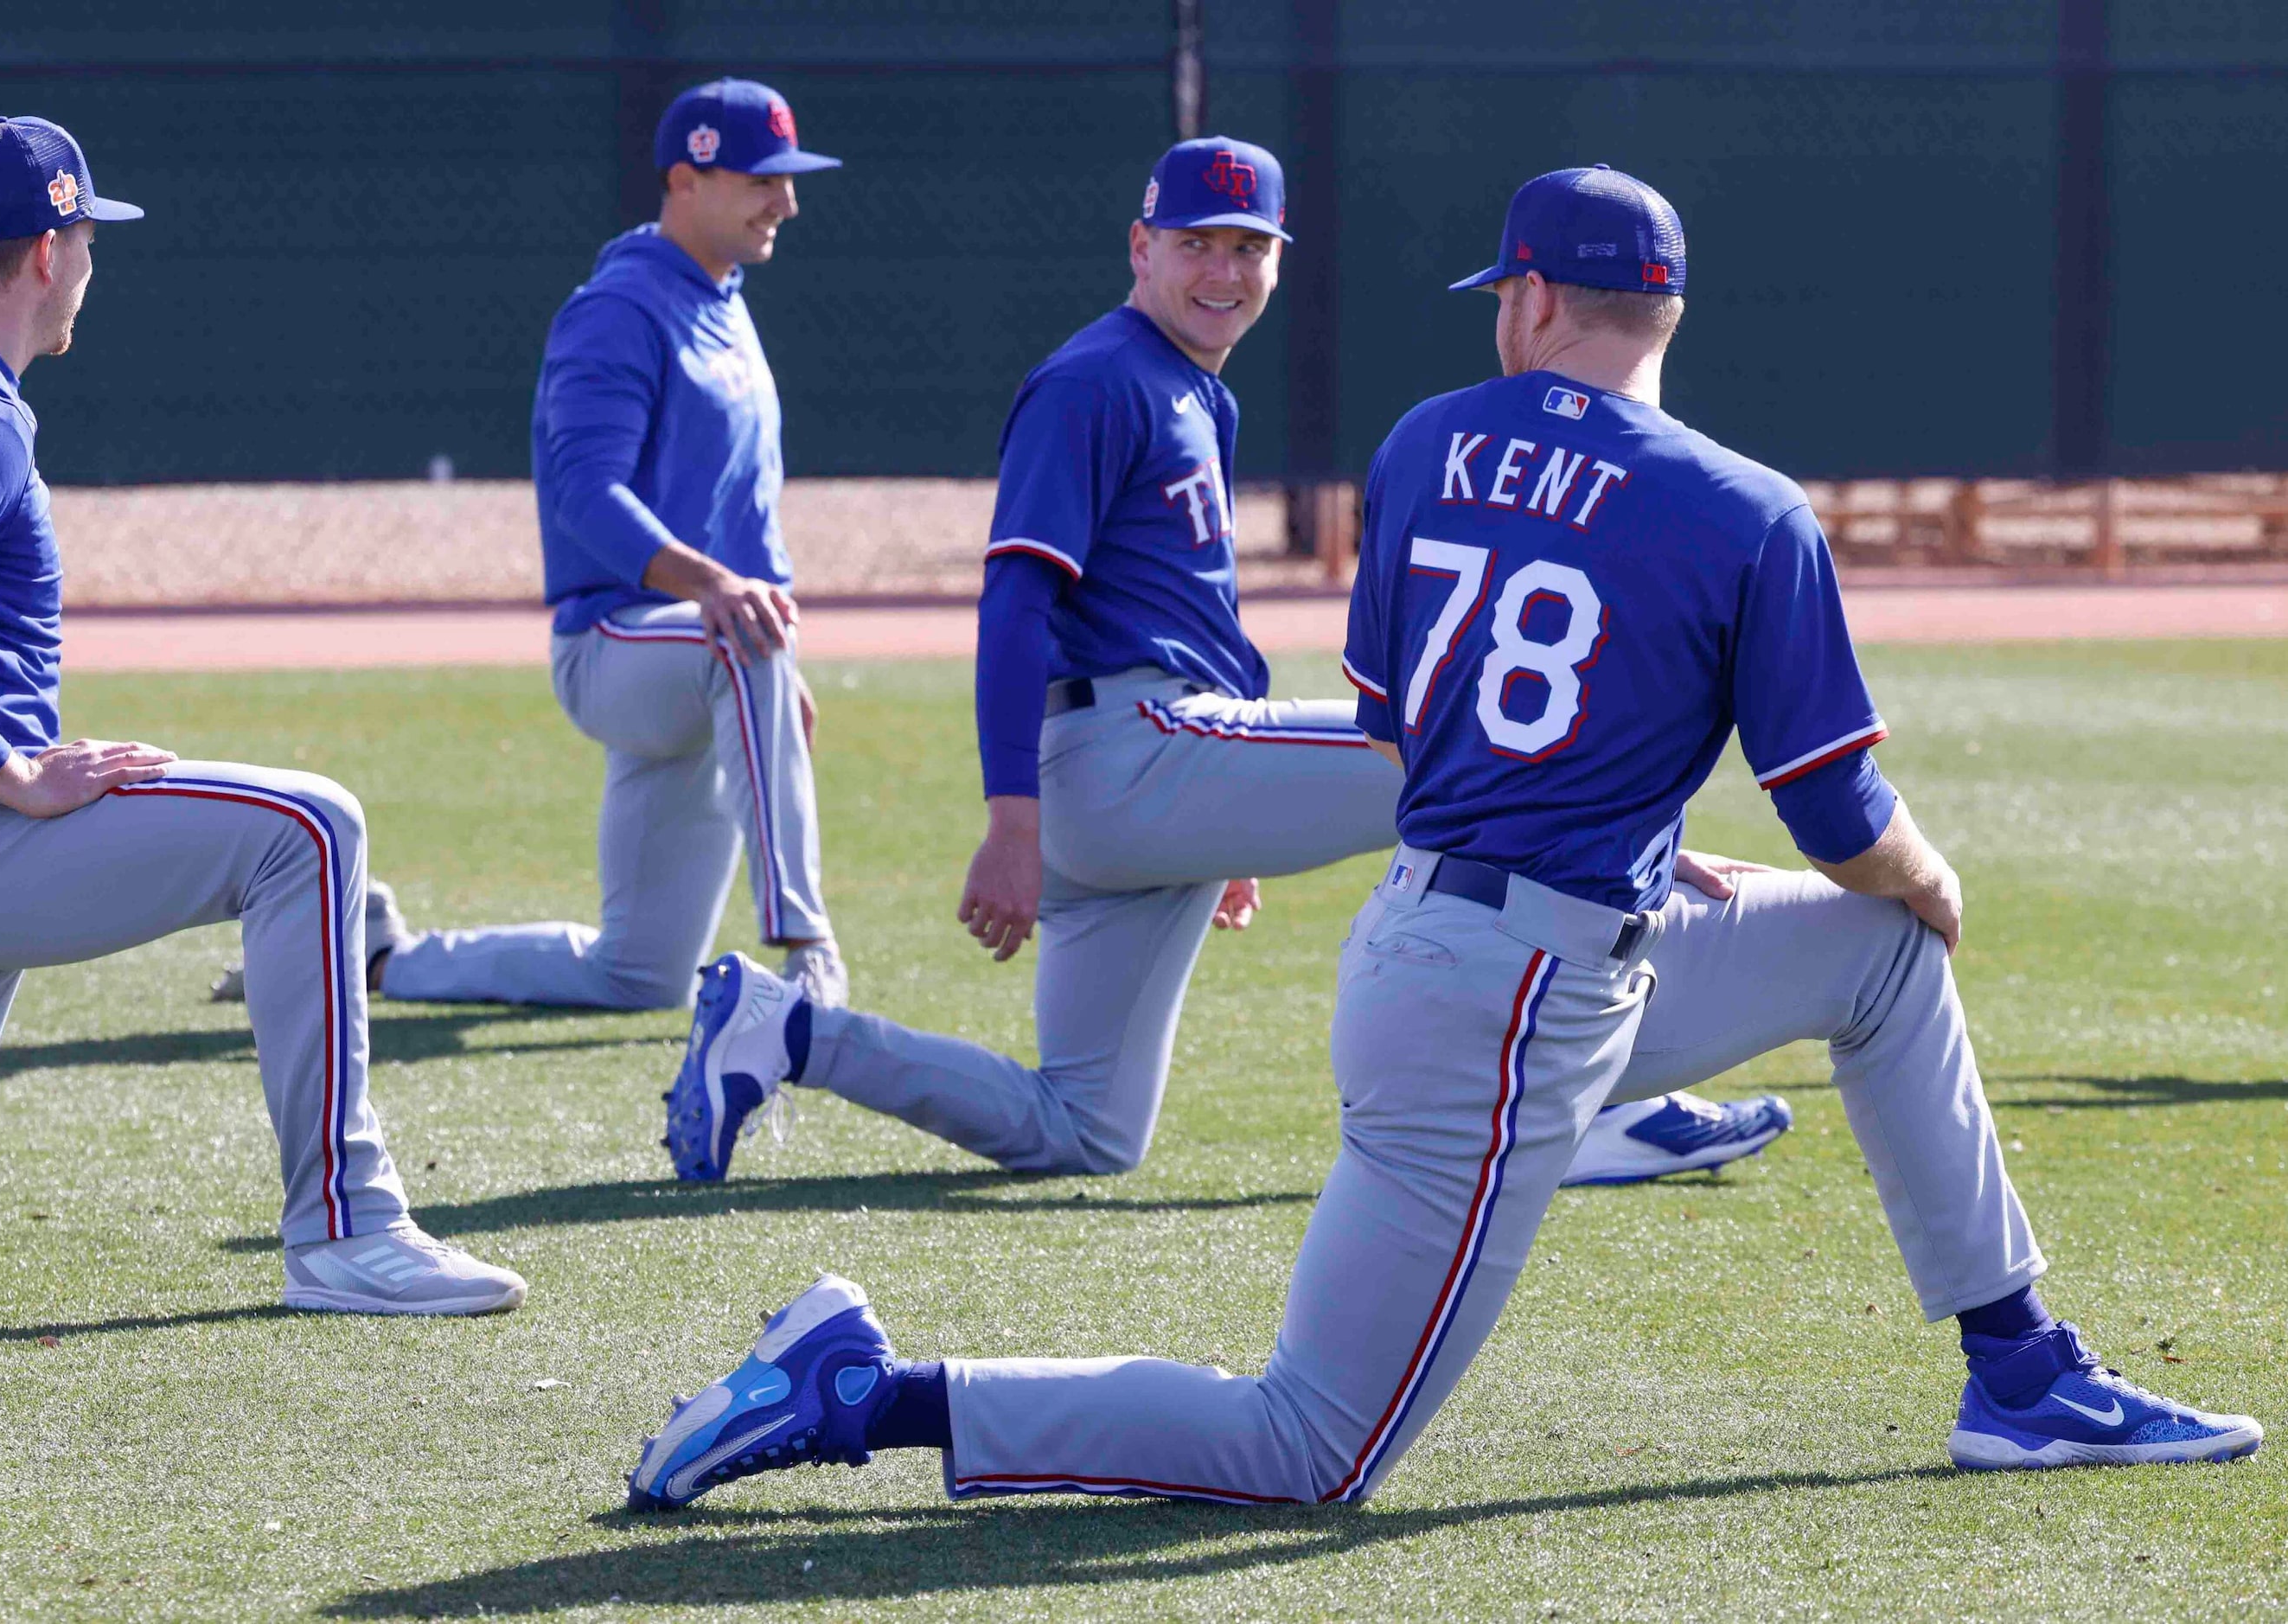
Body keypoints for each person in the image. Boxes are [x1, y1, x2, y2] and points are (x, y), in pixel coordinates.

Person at [626, 164, 2260, 1509]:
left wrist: (1648, 840)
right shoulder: (1748, 504)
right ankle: (867, 1389)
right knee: (1307, 1444)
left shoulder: (1421, 444)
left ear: (1534, 301)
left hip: (1476, 939)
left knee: (1877, 965)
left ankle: (2023, 1369)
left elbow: (1408, 728)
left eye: (1502, 295)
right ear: (1667, 311)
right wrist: (1924, 864)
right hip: (1504, 999)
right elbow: (1836, 813)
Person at [660, 137, 1788, 1190]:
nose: (1223, 268)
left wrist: (1238, 812)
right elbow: (1014, 600)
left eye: (1248, 247)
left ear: (1278, 261)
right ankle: (1584, 1107)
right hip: (1119, 755)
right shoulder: (1097, 377)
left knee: (1085, 1126)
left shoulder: (1191, 384)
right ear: (1140, 248)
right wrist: (1012, 814)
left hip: (1162, 777)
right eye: (1195, 241)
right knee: (1457, 760)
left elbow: (1186, 612)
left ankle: (783, 1028)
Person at [0, 116, 524, 1316]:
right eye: (86, 239)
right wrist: (8, 773)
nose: (91, 265)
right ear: (46, 254)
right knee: (310, 830)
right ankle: (347, 1230)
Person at [208, 79, 850, 1012]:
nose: (785, 201)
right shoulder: (617, 309)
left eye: (789, 180)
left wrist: (767, 652)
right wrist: (725, 600)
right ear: (685, 179)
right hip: (614, 650)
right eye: (761, 178)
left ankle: (380, 956)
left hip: (702, 662)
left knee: (638, 976)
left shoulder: (727, 302)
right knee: (741, 641)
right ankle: (809, 946)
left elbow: (749, 511)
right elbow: (587, 494)